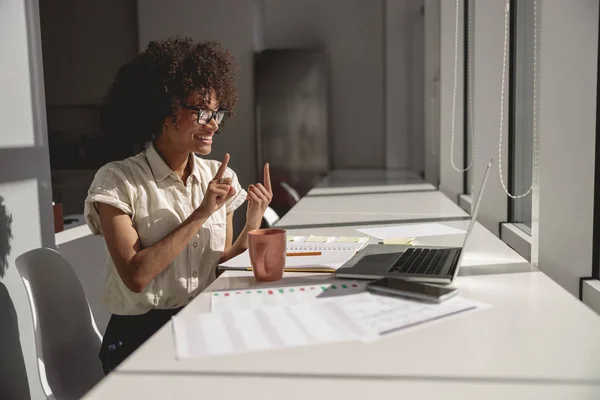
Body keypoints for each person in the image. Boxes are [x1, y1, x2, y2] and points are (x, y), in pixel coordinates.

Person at [84, 37, 272, 374]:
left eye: (216, 112)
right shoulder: (116, 180)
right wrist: (201, 214)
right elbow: (137, 276)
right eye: (201, 111)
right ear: (165, 111)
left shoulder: (219, 174)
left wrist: (253, 222)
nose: (213, 123)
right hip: (138, 339)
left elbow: (220, 265)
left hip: (204, 325)